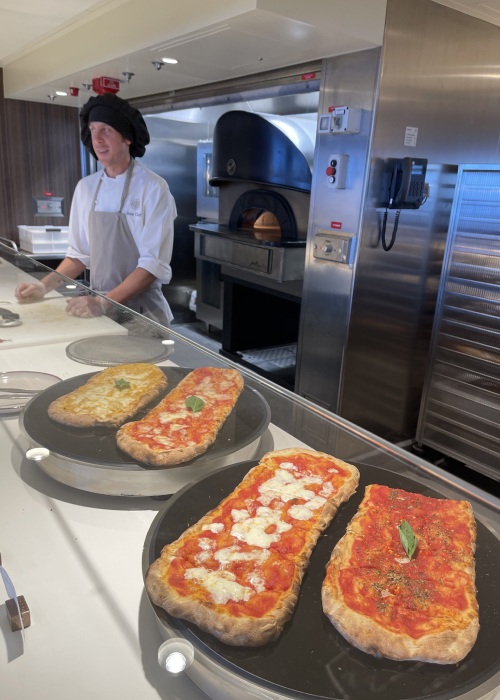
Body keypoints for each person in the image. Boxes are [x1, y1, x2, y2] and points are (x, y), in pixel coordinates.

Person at [15, 93, 176, 325]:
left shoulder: (153, 188)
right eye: (92, 130)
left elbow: (152, 265)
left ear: (127, 137)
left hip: (143, 314)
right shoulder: (86, 188)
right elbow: (79, 256)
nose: (97, 139)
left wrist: (104, 302)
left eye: (106, 130)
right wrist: (43, 286)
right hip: (99, 311)